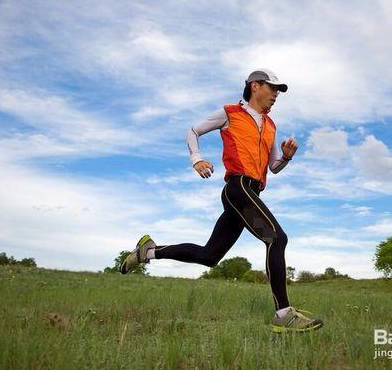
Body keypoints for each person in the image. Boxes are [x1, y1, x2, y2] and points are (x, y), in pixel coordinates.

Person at [120, 68, 323, 333]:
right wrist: (197, 159)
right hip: (237, 187)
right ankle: (283, 314)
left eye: (278, 91)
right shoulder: (230, 112)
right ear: (255, 86)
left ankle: (149, 251)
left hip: (252, 192)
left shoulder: (271, 126)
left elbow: (273, 167)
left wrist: (285, 157)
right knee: (277, 238)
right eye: (272, 88)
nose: (276, 94)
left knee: (209, 256)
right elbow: (193, 130)